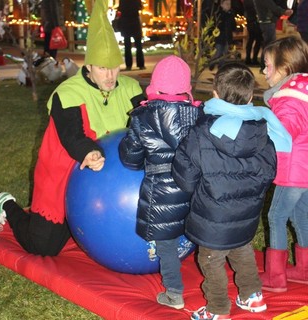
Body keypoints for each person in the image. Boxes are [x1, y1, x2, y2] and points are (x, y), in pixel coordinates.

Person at [0, 0, 144, 255]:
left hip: (114, 179)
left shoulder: (131, 88)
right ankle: (7, 205)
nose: (110, 76)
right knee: (42, 246)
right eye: (103, 68)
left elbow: (145, 121)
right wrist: (89, 153)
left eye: (114, 68)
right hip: (64, 172)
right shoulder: (68, 93)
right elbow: (72, 135)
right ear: (90, 66)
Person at [172, 62, 292, 320]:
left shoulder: (202, 132)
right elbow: (270, 170)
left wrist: (197, 192)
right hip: (246, 212)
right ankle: (252, 296)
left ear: (215, 94)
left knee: (211, 259)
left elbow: (184, 170)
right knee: (241, 249)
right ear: (250, 96)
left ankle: (217, 309)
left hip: (212, 215)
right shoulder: (263, 130)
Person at [118, 55, 203, 310]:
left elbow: (130, 159)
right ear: (187, 87)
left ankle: (174, 293)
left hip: (161, 191)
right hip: (196, 189)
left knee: (165, 245)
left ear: (154, 85)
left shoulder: (143, 116)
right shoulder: (200, 115)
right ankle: (217, 286)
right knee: (202, 233)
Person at [260, 36, 308, 292]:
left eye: (267, 65)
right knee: (302, 217)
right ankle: (303, 270)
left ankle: (276, 276)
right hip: (306, 171)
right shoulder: (304, 91)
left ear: (285, 68)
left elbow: (285, 130)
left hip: (293, 172)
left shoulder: (290, 98)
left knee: (276, 216)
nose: (264, 71)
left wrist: (263, 130)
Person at [252, 0, 293, 72]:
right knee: (269, 46)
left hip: (265, 22)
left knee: (267, 45)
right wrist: (285, 12)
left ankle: (264, 66)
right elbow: (273, 8)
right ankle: (265, 66)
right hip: (268, 22)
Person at [208, 0, 237, 70]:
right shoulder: (219, 13)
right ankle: (212, 62)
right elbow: (217, 24)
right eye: (226, 4)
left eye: (229, 4)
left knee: (224, 52)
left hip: (228, 36)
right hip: (219, 37)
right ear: (221, 5)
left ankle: (221, 66)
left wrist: (234, 30)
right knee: (218, 52)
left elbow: (233, 24)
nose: (228, 6)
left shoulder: (231, 13)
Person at [118, 0, 145, 71]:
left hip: (125, 22)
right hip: (134, 21)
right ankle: (141, 64)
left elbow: (120, 8)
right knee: (138, 44)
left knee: (127, 45)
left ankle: (128, 65)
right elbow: (140, 7)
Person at [243, 0, 263, 65]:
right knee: (257, 40)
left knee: (251, 40)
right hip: (255, 21)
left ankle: (248, 58)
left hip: (250, 21)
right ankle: (253, 58)